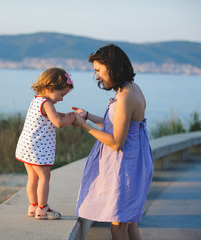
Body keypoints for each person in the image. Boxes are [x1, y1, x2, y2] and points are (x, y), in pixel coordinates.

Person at [72, 44, 154, 240]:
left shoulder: (125, 97)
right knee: (129, 223)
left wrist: (84, 126)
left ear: (113, 66)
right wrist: (88, 116)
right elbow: (118, 124)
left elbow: (117, 141)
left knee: (118, 226)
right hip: (134, 164)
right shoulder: (132, 89)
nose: (97, 77)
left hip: (126, 168)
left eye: (99, 70)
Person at [15, 67, 75, 220]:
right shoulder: (47, 104)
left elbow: (52, 115)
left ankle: (32, 206)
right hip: (38, 149)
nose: (62, 99)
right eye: (61, 94)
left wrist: (65, 114)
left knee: (32, 177)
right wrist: (73, 119)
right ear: (51, 88)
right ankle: (43, 208)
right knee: (45, 177)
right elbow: (59, 123)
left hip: (26, 147)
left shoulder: (37, 100)